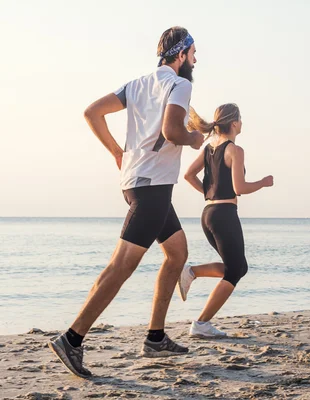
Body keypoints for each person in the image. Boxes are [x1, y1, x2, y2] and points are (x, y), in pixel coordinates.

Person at [48, 26, 207, 377]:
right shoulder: (180, 84)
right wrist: (194, 138)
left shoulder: (136, 84)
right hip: (151, 189)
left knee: (177, 253)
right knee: (121, 267)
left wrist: (117, 152)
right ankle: (71, 339)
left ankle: (155, 338)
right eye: (194, 53)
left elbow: (92, 112)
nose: (196, 59)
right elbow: (172, 132)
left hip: (140, 183)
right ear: (181, 54)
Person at [177, 103, 273, 338]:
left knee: (239, 267)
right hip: (224, 215)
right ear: (234, 123)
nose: (242, 123)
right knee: (234, 271)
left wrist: (209, 193)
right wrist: (263, 182)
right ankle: (201, 324)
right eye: (240, 119)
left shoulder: (209, 148)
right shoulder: (235, 150)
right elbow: (239, 188)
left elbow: (189, 175)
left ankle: (191, 272)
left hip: (208, 214)